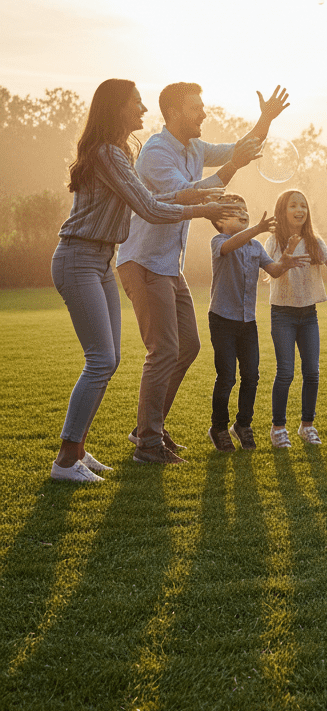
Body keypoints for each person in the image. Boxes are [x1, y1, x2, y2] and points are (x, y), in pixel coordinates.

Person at [50, 80, 235, 481]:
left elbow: (152, 203)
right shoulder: (108, 155)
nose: (142, 110)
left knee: (108, 360)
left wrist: (197, 202)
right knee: (101, 360)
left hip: (100, 260)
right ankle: (65, 460)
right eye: (135, 104)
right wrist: (203, 209)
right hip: (79, 256)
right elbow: (151, 209)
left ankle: (78, 450)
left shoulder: (117, 154)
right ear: (116, 109)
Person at [116, 82, 289, 464]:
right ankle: (147, 443)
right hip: (143, 261)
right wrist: (233, 167)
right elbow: (191, 195)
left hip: (167, 266)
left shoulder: (195, 147)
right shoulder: (155, 154)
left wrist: (265, 119)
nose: (205, 114)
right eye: (197, 107)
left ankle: (150, 427)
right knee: (162, 350)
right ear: (174, 112)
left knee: (188, 347)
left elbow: (240, 149)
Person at [206, 194, 308, 452]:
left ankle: (243, 425)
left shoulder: (255, 247)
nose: (243, 212)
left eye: (245, 208)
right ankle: (218, 427)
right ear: (219, 222)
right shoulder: (218, 241)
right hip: (222, 319)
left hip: (247, 322)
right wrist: (259, 228)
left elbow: (272, 271)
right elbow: (229, 247)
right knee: (227, 377)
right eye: (235, 211)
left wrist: (285, 261)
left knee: (251, 376)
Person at [265, 189, 327, 447]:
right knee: (285, 373)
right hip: (283, 314)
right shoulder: (274, 241)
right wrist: (286, 256)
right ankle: (278, 428)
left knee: (312, 373)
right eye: (293, 205)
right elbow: (272, 271)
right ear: (283, 211)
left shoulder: (314, 240)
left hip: (308, 314)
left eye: (303, 205)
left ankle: (307, 426)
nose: (300, 210)